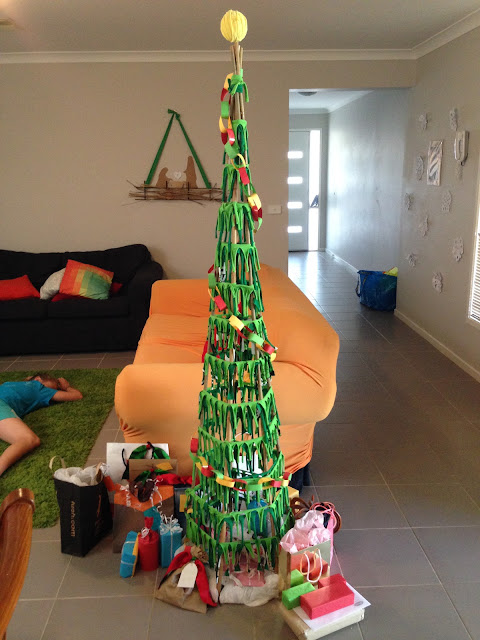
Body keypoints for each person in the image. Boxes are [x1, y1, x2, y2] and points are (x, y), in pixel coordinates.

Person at [0, 372, 83, 476]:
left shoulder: (11, 384)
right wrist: (66, 387)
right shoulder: (39, 388)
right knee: (28, 439)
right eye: (53, 388)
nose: (52, 392)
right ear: (38, 380)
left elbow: (29, 377)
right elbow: (77, 396)